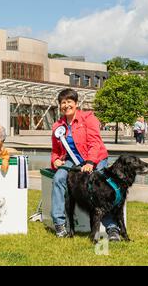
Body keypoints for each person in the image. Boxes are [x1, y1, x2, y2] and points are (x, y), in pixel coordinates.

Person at [50, 88, 121, 241]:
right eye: (63, 102)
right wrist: (55, 159)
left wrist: (90, 162)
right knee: (58, 179)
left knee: (99, 190)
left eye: (69, 101)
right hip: (72, 161)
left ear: (76, 104)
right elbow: (55, 150)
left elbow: (95, 143)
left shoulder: (89, 118)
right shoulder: (57, 126)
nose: (66, 105)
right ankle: (59, 224)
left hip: (95, 158)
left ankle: (112, 228)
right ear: (60, 106)